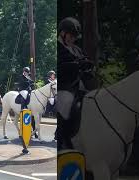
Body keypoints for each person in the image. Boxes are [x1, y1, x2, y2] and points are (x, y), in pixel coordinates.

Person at [56, 17, 95, 147]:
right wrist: (77, 65)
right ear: (63, 33)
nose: (73, 39)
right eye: (71, 36)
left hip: (79, 86)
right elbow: (60, 67)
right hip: (64, 87)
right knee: (67, 102)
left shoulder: (76, 49)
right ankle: (62, 135)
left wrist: (88, 64)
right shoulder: (58, 48)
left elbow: (83, 60)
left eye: (75, 36)